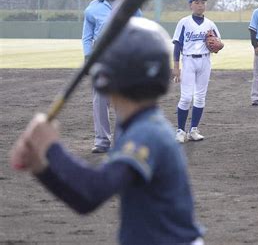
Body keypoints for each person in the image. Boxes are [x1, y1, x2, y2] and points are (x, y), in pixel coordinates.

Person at [10, 18, 204, 245]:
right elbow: (85, 202)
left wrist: (52, 146)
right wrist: (41, 167)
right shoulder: (139, 125)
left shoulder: (147, 133)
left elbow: (95, 189)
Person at [82, 0, 143, 153]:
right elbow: (87, 37)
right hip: (101, 59)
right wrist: (87, 57)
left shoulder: (132, 6)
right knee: (100, 101)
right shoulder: (92, 8)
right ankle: (101, 141)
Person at [172, 0, 223, 143]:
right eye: (197, 2)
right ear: (191, 5)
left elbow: (218, 43)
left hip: (205, 61)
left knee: (200, 97)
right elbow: (177, 45)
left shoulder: (210, 24)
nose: (200, 5)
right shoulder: (184, 22)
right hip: (188, 60)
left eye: (203, 2)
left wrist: (217, 44)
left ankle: (194, 129)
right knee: (186, 97)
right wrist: (176, 66)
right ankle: (181, 130)